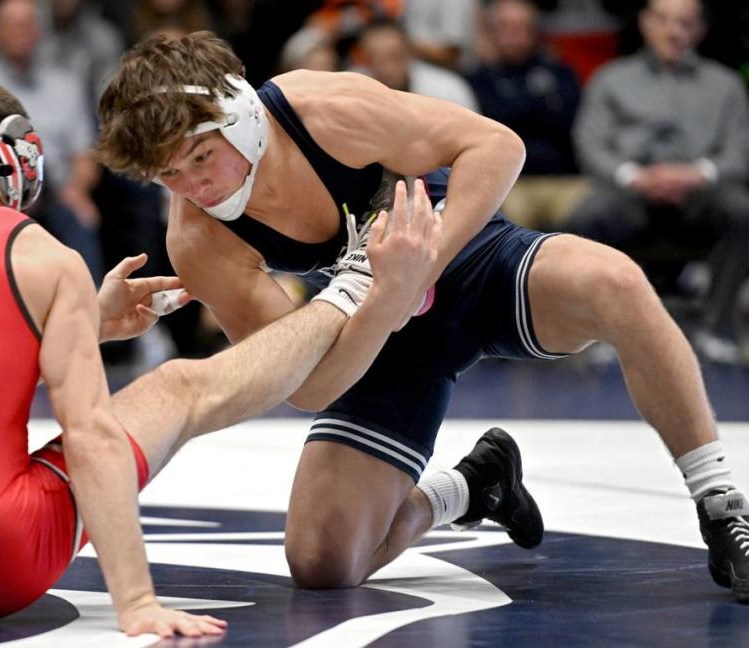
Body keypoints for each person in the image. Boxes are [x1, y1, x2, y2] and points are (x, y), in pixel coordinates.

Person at [97, 30, 749, 600]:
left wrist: (424, 261)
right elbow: (309, 387)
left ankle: (720, 505)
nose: (194, 187)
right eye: (168, 175)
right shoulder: (199, 238)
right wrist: (380, 299)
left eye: (201, 159)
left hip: (469, 261)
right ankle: (469, 487)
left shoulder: (321, 108)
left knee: (615, 282)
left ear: (237, 118)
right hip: (373, 332)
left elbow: (494, 146)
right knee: (322, 563)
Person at [0, 77, 437, 635]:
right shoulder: (39, 254)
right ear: (22, 162)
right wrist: (136, 603)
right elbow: (93, 437)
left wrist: (80, 323)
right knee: (178, 386)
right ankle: (353, 285)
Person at [568, 0, 749, 364]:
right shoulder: (611, 78)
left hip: (702, 189)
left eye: (684, 23)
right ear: (645, 23)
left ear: (699, 30)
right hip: (629, 187)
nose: (673, 31)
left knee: (742, 212)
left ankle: (719, 330)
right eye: (663, 20)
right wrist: (634, 176)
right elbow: (589, 142)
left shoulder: (725, 84)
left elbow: (739, 151)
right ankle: (597, 332)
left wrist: (698, 172)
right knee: (588, 217)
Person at [0, 0, 104, 281]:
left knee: (79, 217)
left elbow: (85, 153)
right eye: (13, 24)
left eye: (28, 24)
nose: (22, 31)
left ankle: (93, 312)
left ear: (40, 32)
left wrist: (77, 190)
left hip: (52, 190)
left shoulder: (65, 83)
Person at [468, 0, 588, 231]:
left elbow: (569, 126)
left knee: (593, 211)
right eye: (507, 27)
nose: (516, 36)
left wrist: (511, 108)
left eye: (524, 28)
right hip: (508, 185)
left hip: (564, 181)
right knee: (503, 215)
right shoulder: (476, 81)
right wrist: (540, 104)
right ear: (492, 32)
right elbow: (489, 132)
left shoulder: (561, 73)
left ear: (536, 32)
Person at [355, 17, 479, 111]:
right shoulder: (353, 91)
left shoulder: (448, 90)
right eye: (375, 59)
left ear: (409, 53)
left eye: (395, 57)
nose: (387, 68)